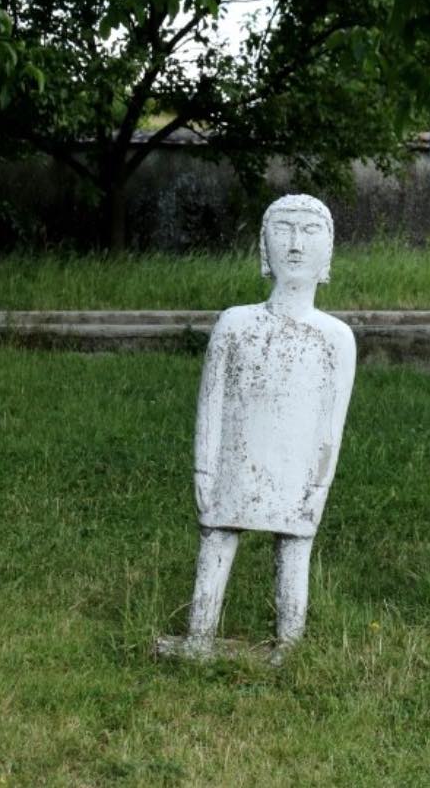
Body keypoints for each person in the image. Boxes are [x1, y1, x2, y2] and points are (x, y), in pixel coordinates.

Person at [158, 195, 356, 660]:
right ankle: (199, 634)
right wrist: (204, 468)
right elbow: (211, 403)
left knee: (294, 547)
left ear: (328, 252)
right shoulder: (234, 324)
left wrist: (319, 484)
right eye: (283, 230)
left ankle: (289, 642)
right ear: (264, 247)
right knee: (217, 536)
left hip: (297, 470)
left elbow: (331, 425)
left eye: (310, 232)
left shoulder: (336, 338)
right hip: (234, 462)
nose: (295, 244)